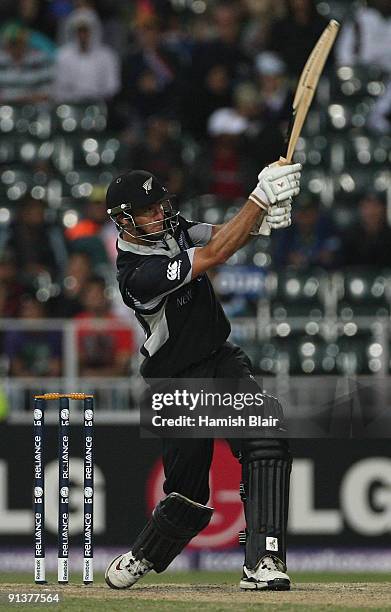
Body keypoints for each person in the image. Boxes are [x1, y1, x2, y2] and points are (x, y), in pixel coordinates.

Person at [103, 162, 302, 591]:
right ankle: (144, 555)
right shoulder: (138, 277)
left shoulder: (174, 230)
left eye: (160, 205)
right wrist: (258, 198)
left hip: (220, 358)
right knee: (187, 499)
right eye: (148, 211)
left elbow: (223, 235)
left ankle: (264, 558)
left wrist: (263, 219)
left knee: (265, 437)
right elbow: (215, 255)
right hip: (175, 380)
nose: (160, 215)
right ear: (124, 221)